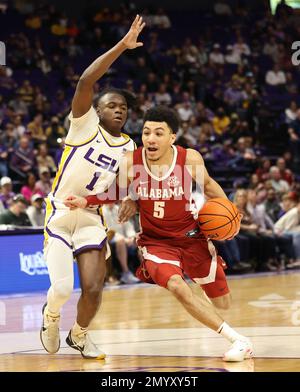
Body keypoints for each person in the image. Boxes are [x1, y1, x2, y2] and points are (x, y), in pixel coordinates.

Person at [65, 106, 253, 362]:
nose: (151, 139)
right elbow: (116, 192)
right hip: (156, 243)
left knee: (222, 303)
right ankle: (238, 340)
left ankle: (206, 291)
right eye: (146, 132)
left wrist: (233, 220)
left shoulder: (189, 159)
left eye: (158, 133)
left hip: (192, 237)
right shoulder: (131, 160)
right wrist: (86, 201)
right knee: (177, 286)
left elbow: (209, 188)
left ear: (172, 137)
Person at [40, 15, 145, 359]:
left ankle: (80, 334)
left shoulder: (130, 147)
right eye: (112, 105)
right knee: (60, 288)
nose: (119, 111)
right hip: (59, 213)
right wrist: (123, 46)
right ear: (96, 110)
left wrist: (129, 197)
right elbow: (87, 79)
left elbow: (121, 190)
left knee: (94, 288)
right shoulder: (83, 126)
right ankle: (51, 317)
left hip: (90, 216)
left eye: (124, 108)